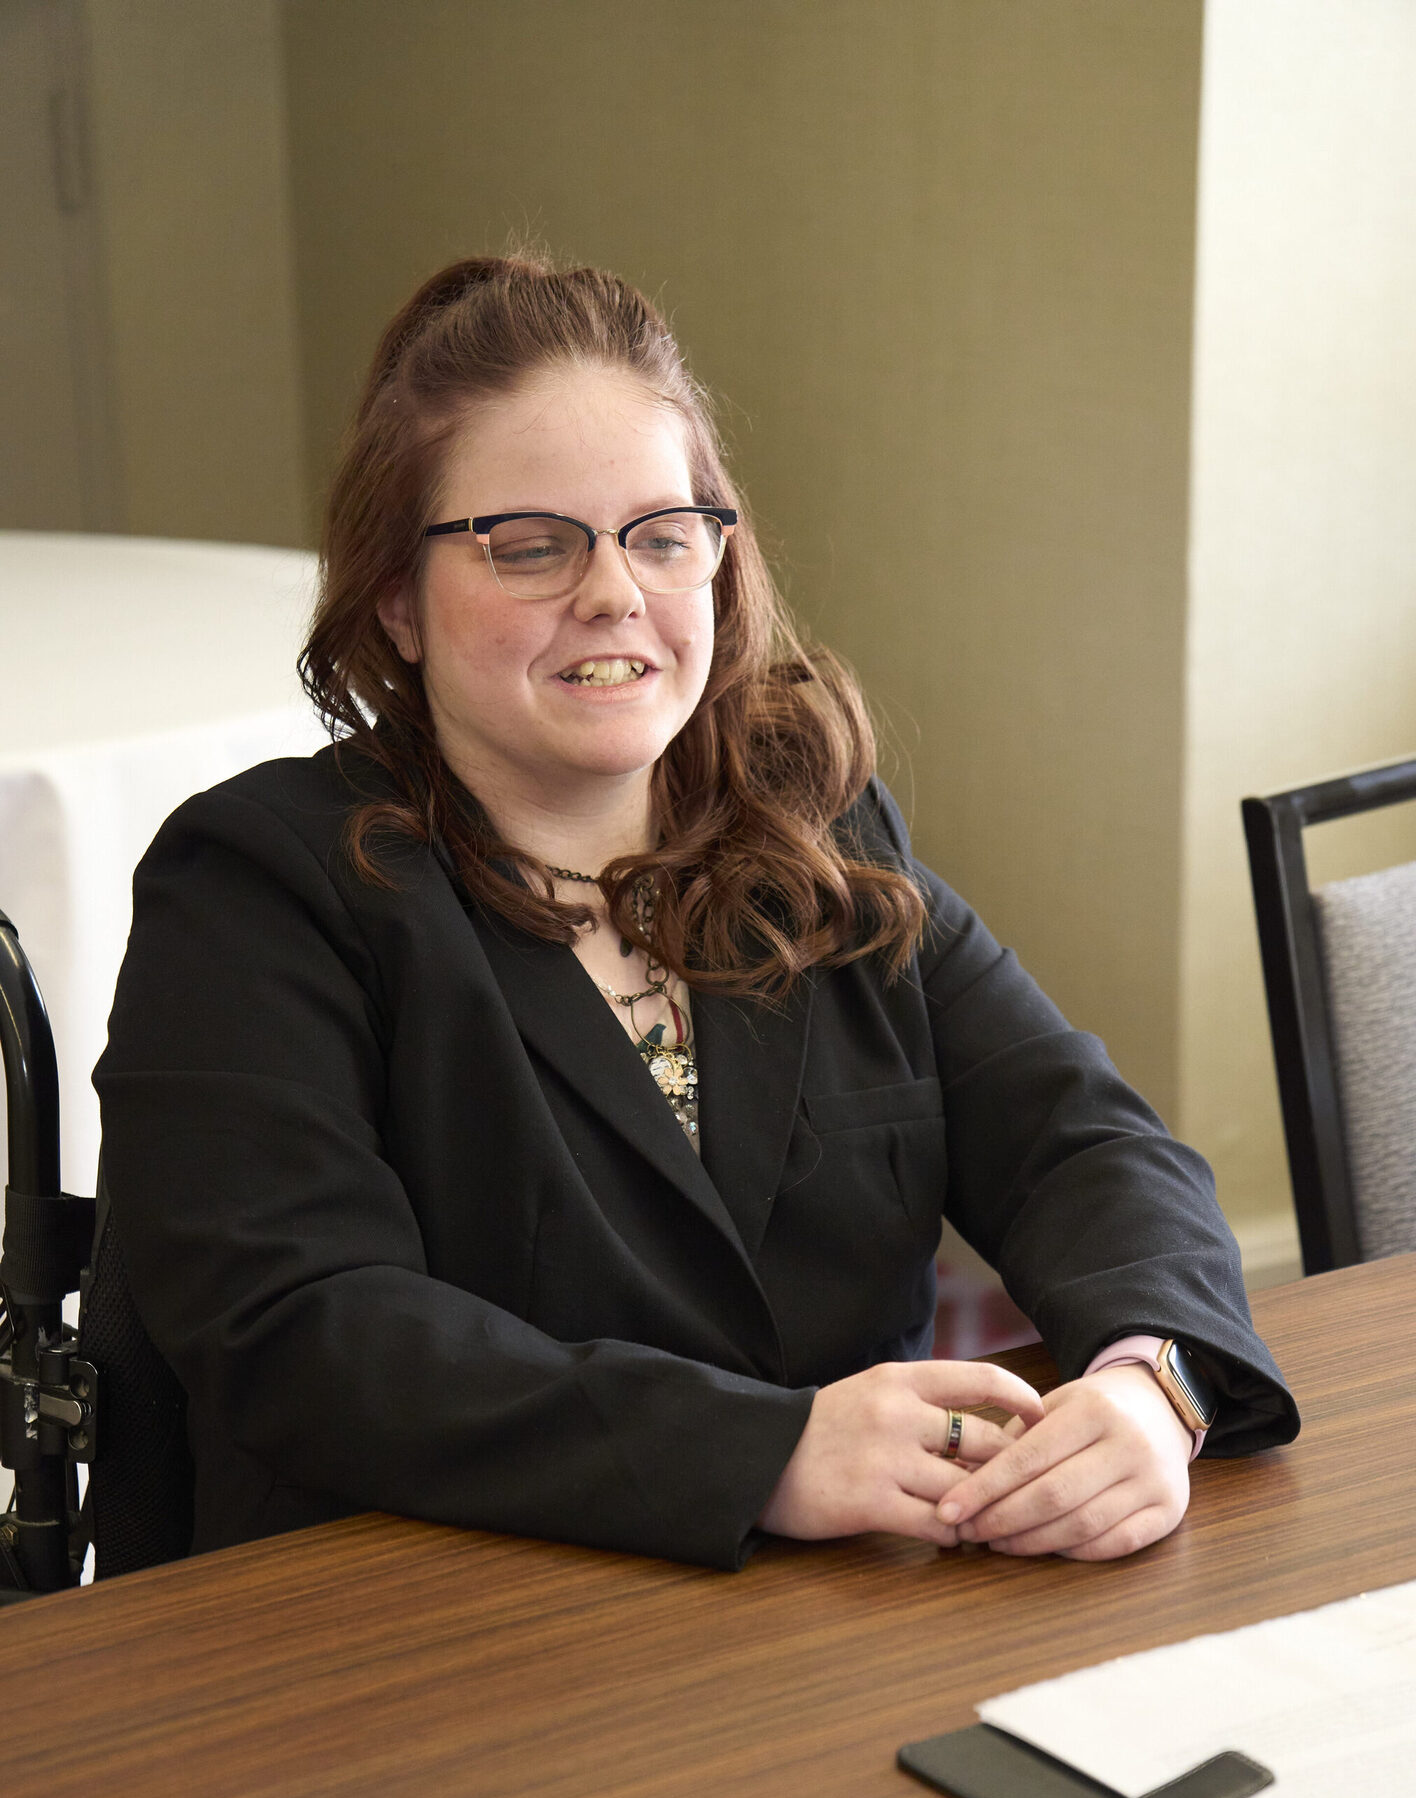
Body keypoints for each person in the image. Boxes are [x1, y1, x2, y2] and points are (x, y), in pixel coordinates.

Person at [95, 256, 1297, 1570]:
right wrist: (764, 1453)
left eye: (662, 535)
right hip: (431, 1622)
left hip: (842, 1612)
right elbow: (304, 1332)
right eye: (532, 545)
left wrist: (1151, 1381)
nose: (614, 593)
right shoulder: (258, 888)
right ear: (398, 600)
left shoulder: (816, 831)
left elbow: (1085, 1141)